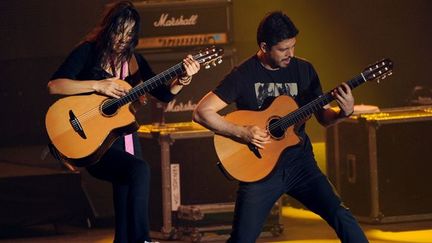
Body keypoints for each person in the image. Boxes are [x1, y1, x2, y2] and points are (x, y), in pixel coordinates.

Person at [193, 11, 368, 243]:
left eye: (293, 46)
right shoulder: (243, 75)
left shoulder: (304, 70)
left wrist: (343, 112)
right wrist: (243, 132)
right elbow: (201, 112)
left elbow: (323, 117)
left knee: (340, 214)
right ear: (264, 46)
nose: (291, 54)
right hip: (259, 170)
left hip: (300, 165)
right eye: (283, 49)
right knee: (242, 239)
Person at [47, 1, 200, 242]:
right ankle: (142, 239)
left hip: (124, 138)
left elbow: (163, 94)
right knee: (139, 170)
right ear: (108, 28)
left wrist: (183, 79)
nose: (123, 38)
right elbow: (55, 85)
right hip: (92, 143)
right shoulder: (88, 52)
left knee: (128, 185)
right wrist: (98, 85)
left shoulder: (135, 61)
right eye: (119, 31)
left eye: (129, 33)